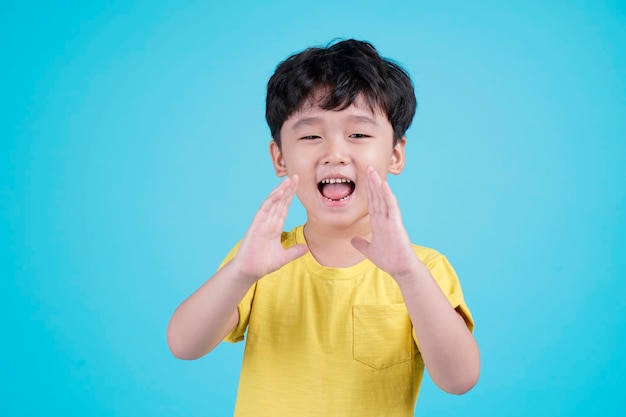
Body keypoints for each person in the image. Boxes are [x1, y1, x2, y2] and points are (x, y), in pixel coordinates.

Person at [167, 39, 480, 417]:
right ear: (280, 158)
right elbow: (184, 345)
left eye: (359, 135)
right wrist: (240, 272)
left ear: (395, 154)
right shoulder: (259, 260)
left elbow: (459, 379)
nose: (334, 152)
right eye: (311, 136)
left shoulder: (423, 269)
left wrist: (408, 274)